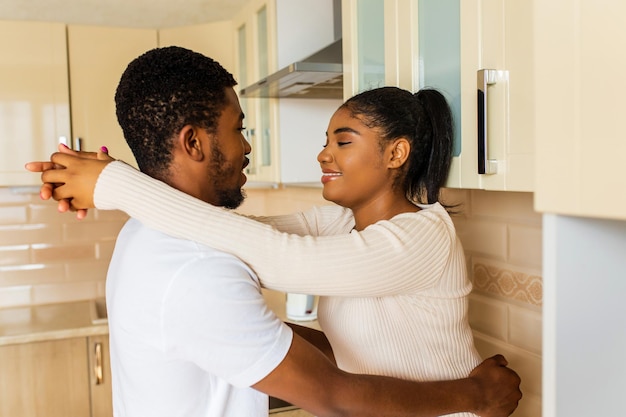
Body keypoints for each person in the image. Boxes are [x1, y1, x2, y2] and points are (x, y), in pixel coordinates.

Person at [27, 46, 522, 417]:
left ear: (396, 153)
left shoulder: (414, 235)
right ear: (195, 143)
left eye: (342, 142)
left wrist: (118, 185)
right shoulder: (196, 261)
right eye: (238, 127)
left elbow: (270, 250)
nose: (247, 145)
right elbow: (262, 245)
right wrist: (116, 184)